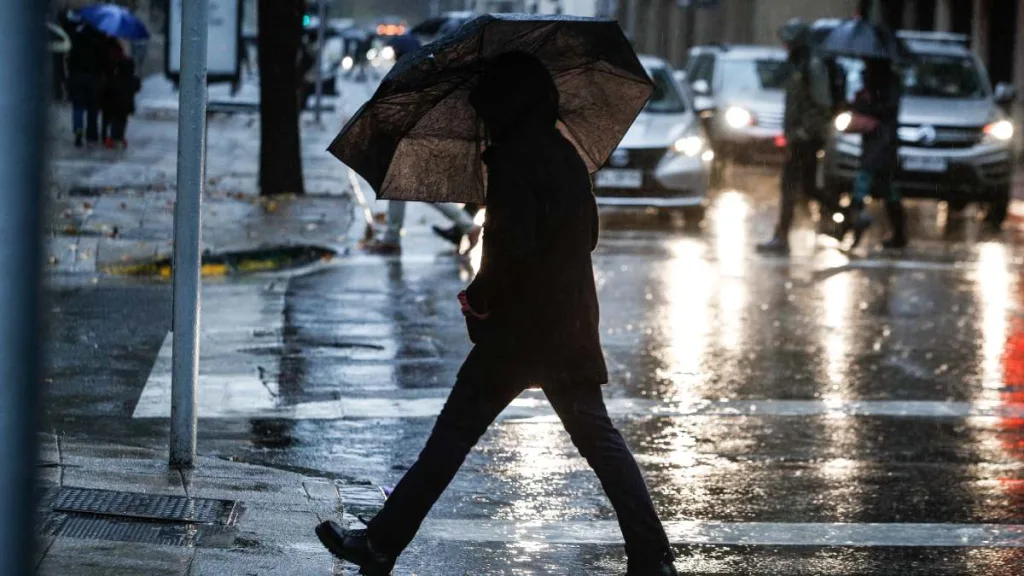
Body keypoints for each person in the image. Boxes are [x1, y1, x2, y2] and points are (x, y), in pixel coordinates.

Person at [315, 52, 678, 576]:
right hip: (567, 324)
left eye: (485, 103)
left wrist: (478, 299)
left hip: (518, 333)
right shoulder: (565, 154)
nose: (480, 115)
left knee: (453, 436)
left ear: (505, 105)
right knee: (599, 441)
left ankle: (380, 544)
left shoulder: (512, 160)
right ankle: (653, 557)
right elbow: (587, 236)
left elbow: (509, 251)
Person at [366, 31, 482, 255]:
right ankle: (466, 226)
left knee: (403, 187)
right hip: (416, 138)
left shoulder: (412, 73)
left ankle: (394, 238)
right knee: (405, 188)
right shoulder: (423, 70)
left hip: (412, 138)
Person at [757, 19, 844, 255]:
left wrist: (804, 131)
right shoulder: (797, 62)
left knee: (790, 186)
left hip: (807, 138)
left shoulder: (812, 64)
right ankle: (851, 217)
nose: (785, 45)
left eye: (789, 40)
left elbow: (822, 104)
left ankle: (781, 237)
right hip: (798, 136)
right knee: (808, 187)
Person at [847, 58, 905, 248]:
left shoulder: (888, 83)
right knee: (886, 188)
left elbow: (884, 110)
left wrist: (866, 104)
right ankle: (898, 234)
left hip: (882, 142)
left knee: (865, 183)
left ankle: (851, 227)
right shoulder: (869, 80)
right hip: (876, 142)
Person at [66, 20, 106, 147]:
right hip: (94, 77)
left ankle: (78, 130)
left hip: (77, 76)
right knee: (92, 107)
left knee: (78, 106)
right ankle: (92, 133)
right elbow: (103, 60)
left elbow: (70, 59)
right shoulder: (99, 39)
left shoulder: (76, 38)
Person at [101, 58, 140, 149]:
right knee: (122, 122)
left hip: (113, 105)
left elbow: (106, 90)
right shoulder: (134, 80)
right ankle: (119, 137)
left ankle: (113, 138)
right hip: (126, 106)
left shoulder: (113, 79)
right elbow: (137, 88)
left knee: (114, 121)